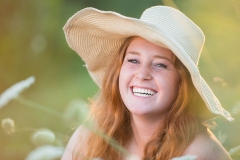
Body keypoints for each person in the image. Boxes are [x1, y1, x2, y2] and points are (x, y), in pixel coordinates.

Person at [61, 6, 234, 160]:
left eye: (160, 64)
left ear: (182, 84)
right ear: (118, 70)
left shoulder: (199, 153)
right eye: (134, 60)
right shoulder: (94, 134)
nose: (142, 74)